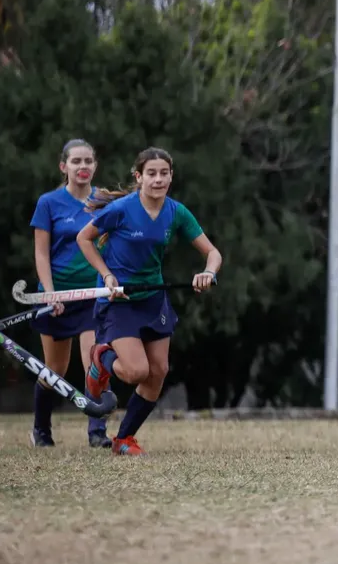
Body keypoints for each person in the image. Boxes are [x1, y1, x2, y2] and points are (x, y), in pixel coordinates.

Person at [77, 147, 222, 456]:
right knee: (135, 372)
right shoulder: (122, 209)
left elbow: (212, 253)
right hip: (120, 299)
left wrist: (208, 272)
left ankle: (124, 439)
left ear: (171, 176)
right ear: (139, 177)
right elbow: (84, 239)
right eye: (152, 174)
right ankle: (101, 361)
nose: (158, 179)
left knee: (158, 372)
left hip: (153, 298)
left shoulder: (176, 212)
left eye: (164, 173)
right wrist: (106, 275)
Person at [28, 139, 112, 448]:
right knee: (55, 370)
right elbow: (41, 254)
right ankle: (41, 430)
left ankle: (97, 432)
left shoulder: (104, 201)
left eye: (88, 161)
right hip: (58, 298)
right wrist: (51, 295)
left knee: (95, 362)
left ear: (95, 166)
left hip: (92, 294)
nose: (83, 166)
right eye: (76, 161)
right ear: (64, 166)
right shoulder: (48, 203)